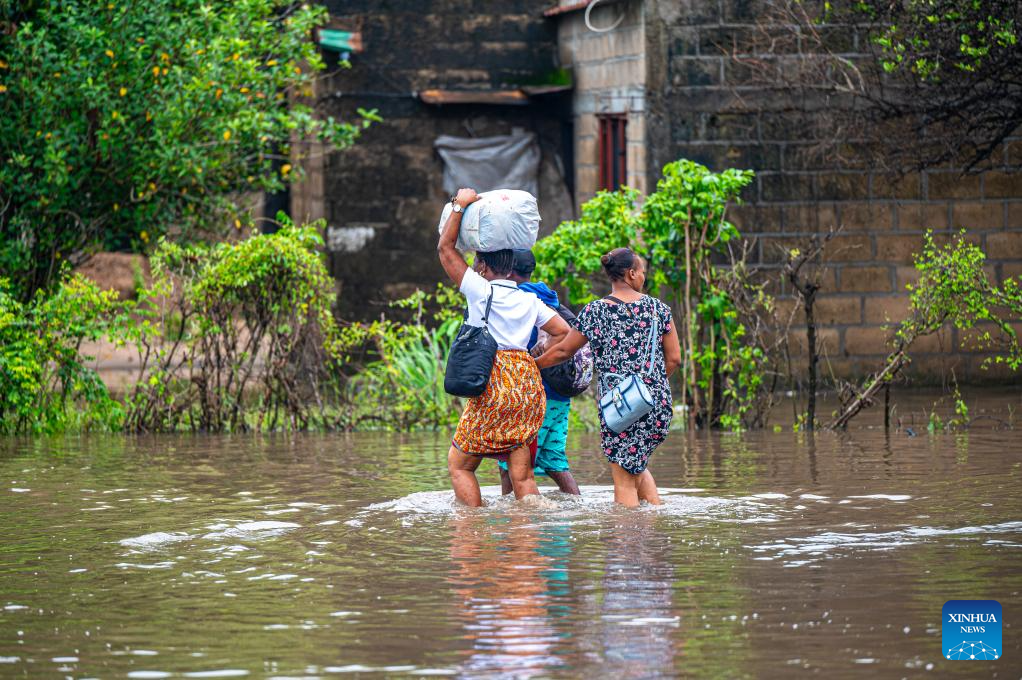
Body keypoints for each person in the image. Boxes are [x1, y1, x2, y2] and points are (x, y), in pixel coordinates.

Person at [438, 187, 572, 507]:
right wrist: (534, 360)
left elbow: (445, 249)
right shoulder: (530, 299)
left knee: (460, 466)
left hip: (493, 381)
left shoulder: (481, 290)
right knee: (521, 474)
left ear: (482, 267)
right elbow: (563, 332)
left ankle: (473, 527)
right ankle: (527, 536)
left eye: (476, 263)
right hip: (527, 386)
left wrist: (459, 206)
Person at [535, 248, 681, 508]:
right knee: (636, 465)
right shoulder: (660, 309)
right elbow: (674, 359)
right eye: (643, 272)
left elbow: (565, 350)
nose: (643, 277)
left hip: (620, 406)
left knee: (624, 480)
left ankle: (626, 542)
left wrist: (533, 365)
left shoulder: (595, 311)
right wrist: (649, 387)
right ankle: (654, 530)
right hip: (656, 403)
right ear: (632, 273)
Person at [496, 249, 581, 496]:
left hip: (534, 394)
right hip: (560, 394)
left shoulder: (516, 299)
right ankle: (574, 513)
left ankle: (512, 524)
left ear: (508, 271)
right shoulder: (549, 297)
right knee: (554, 458)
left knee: (509, 463)